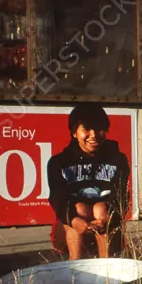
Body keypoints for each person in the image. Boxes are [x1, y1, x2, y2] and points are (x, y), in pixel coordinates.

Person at [47, 103, 130, 260]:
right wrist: (73, 219)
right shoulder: (58, 162)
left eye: (99, 129)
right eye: (86, 129)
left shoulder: (118, 159)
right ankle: (75, 269)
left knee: (100, 207)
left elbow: (122, 197)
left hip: (106, 225)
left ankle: (108, 272)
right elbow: (58, 199)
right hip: (70, 229)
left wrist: (109, 218)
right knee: (80, 208)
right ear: (74, 133)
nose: (93, 135)